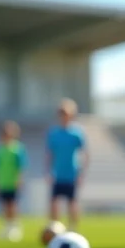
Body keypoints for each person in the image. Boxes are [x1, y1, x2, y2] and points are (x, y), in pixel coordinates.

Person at [46, 99, 88, 232]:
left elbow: (84, 153)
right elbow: (50, 154)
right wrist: (49, 171)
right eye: (61, 113)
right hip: (58, 173)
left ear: (72, 115)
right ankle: (55, 228)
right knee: (54, 202)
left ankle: (72, 228)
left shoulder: (77, 133)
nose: (63, 116)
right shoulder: (54, 133)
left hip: (72, 173)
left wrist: (81, 173)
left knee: (72, 202)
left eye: (66, 113)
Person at [0, 120, 28, 242]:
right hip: (2, 182)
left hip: (13, 182)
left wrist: (19, 180)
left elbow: (21, 167)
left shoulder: (18, 149)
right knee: (4, 206)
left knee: (12, 205)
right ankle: (6, 227)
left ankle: (15, 227)